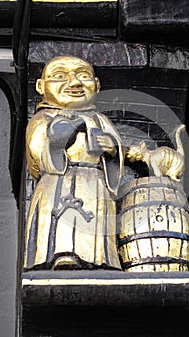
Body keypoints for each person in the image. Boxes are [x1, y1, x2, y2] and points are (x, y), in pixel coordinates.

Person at [24, 56, 125, 270]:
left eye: (83, 76)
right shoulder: (43, 118)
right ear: (41, 86)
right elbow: (37, 152)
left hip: (95, 179)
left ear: (96, 85)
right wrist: (61, 136)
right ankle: (58, 256)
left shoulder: (100, 119)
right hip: (58, 180)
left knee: (96, 219)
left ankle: (101, 259)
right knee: (63, 218)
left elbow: (115, 150)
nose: (74, 83)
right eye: (60, 76)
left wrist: (112, 150)